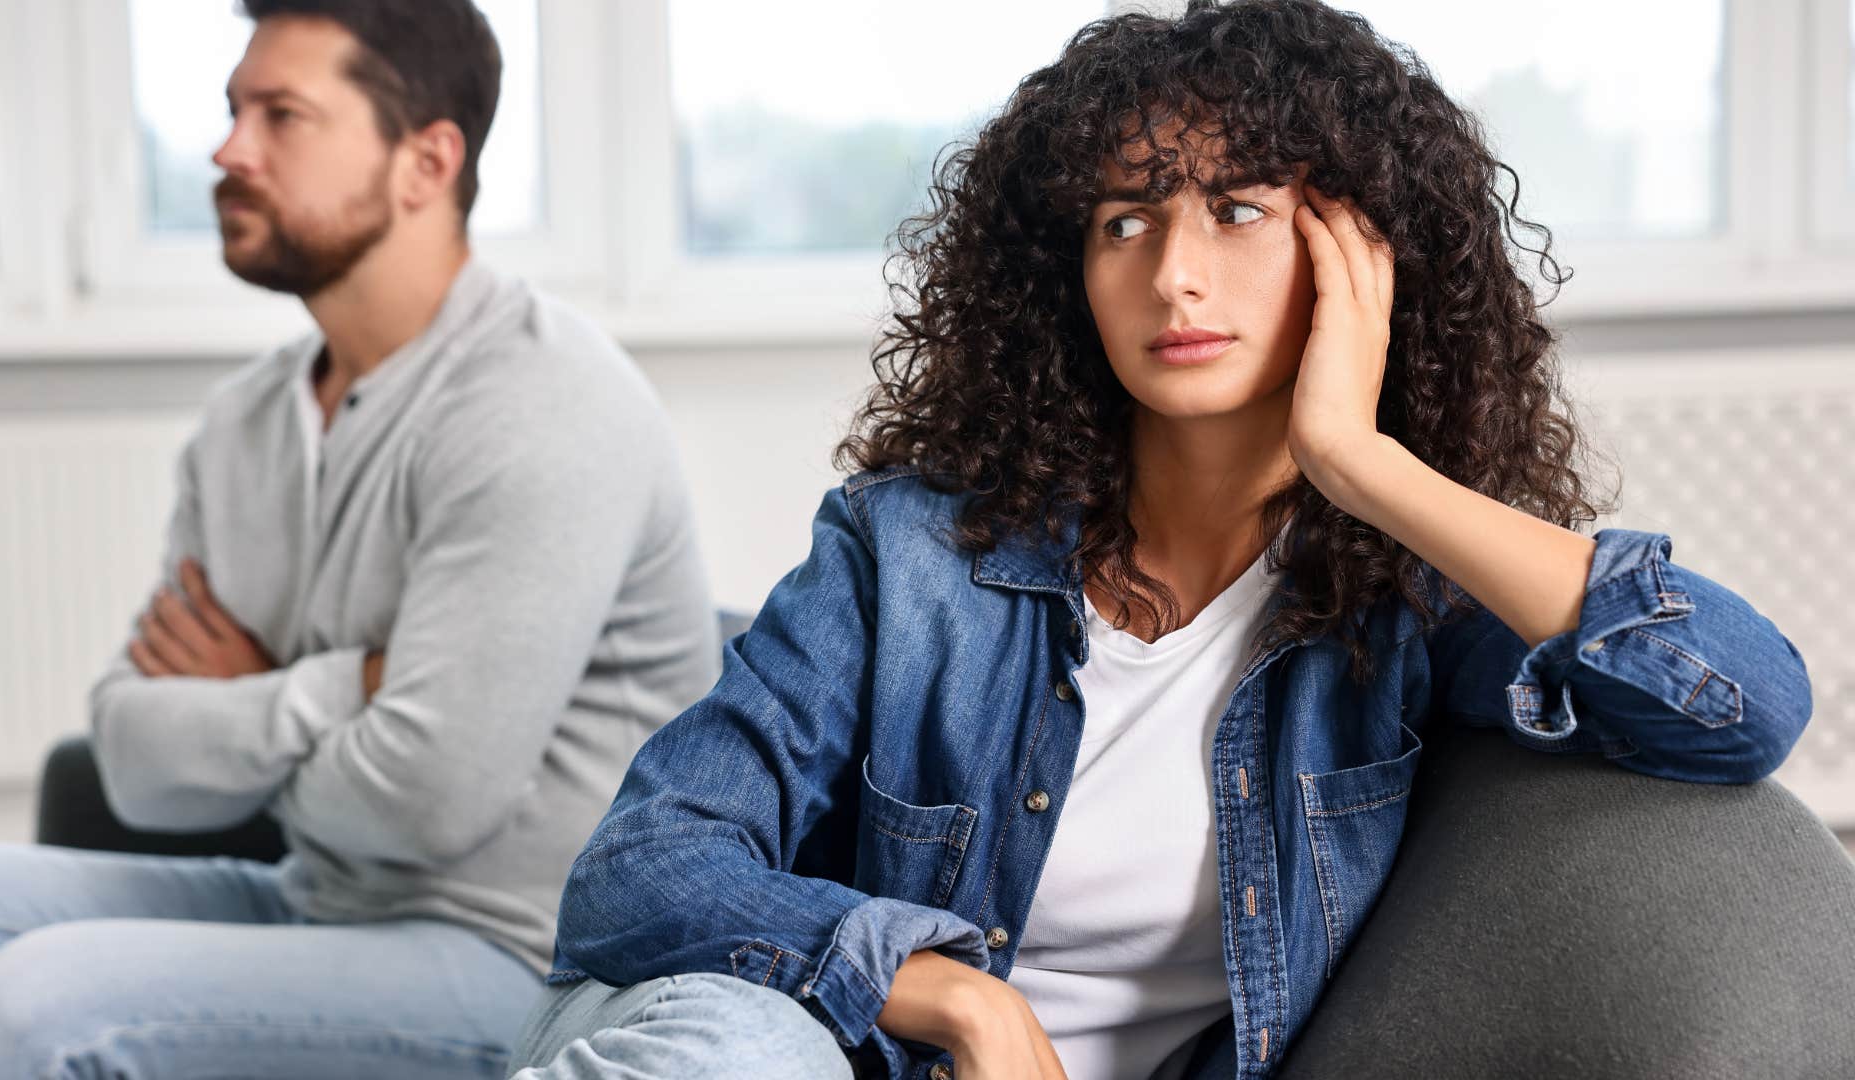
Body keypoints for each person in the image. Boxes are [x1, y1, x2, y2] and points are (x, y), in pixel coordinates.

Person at [503, 2, 1815, 1078]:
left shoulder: (1398, 599)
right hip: (809, 1045)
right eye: (1124, 220)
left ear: (1358, 255)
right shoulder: (904, 552)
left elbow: (1743, 706)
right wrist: (960, 999)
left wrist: (1364, 463)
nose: (1173, 273)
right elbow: (642, 868)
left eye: (1236, 210)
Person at [0, 1, 718, 1076]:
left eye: (282, 116)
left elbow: (426, 802)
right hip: (317, 903)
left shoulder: (542, 401)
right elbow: (134, 759)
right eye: (231, 111)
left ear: (424, 161)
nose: (227, 149)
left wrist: (244, 706)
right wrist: (342, 685)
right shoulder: (243, 425)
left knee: (40, 1010)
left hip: (526, 962)